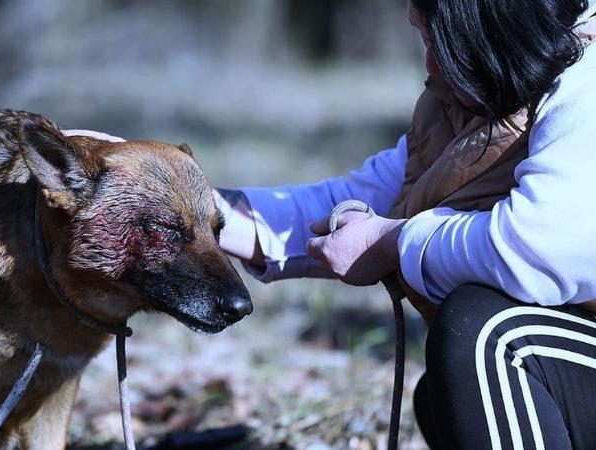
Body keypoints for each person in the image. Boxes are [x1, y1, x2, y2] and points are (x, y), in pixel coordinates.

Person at [70, 1, 596, 447]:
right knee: (447, 394)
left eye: (434, 35)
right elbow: (356, 201)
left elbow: (544, 245)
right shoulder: (478, 103)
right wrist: (180, 201)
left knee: (488, 338)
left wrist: (392, 243)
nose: (430, 64)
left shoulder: (586, 80)